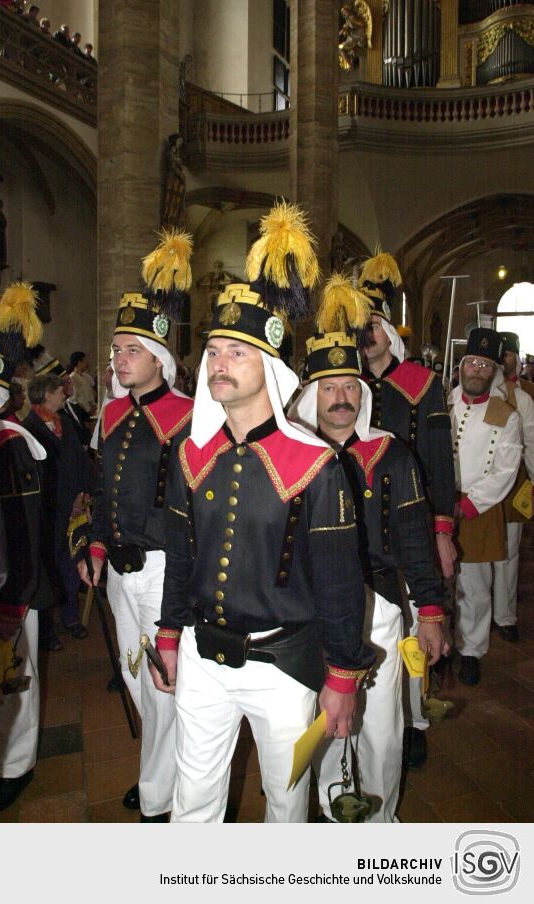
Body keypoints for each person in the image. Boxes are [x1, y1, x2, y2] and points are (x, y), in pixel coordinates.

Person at [151, 201, 375, 823]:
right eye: (213, 352)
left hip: (283, 666)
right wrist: (169, 635)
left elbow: (339, 582)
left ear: (270, 368)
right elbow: (180, 558)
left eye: (235, 353)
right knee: (192, 799)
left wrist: (342, 677)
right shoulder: (190, 454)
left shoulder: (317, 465)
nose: (218, 363)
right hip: (202, 657)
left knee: (285, 803)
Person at [289, 278, 448, 822]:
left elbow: (415, 541)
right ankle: (335, 816)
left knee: (380, 727)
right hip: (307, 612)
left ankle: (379, 826)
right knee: (324, 722)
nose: (342, 398)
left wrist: (430, 610)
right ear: (311, 395)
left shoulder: (393, 455)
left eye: (351, 387)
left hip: (379, 608)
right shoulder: (291, 460)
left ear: (364, 394)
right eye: (329, 387)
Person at [77, 230, 194, 822]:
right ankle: (172, 768)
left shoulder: (188, 416)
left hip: (162, 570)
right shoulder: (114, 412)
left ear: (158, 359)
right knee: (134, 676)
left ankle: (158, 798)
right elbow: (103, 489)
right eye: (116, 350)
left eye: (130, 350)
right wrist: (96, 542)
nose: (118, 359)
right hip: (119, 571)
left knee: (160, 682)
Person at [358, 253, 455, 768]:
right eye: (359, 326)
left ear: (389, 332)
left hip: (412, 524)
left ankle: (415, 719)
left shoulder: (422, 383)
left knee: (419, 626)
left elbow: (438, 460)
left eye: (372, 324)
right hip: (365, 529)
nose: (365, 334)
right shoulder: (345, 385)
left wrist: (442, 530)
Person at [0, 282, 47, 814]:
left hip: (11, 591)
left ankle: (16, 765)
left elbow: (23, 532)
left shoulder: (10, 445)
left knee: (15, 684)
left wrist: (12, 604)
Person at [449, 328, 522, 686]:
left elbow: (505, 471)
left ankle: (471, 650)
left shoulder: (506, 415)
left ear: (494, 372)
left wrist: (469, 504)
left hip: (478, 508)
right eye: (472, 363)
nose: (477, 370)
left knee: (474, 585)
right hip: (441, 504)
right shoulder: (444, 404)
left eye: (484, 365)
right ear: (462, 366)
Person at [23, 373, 92, 645]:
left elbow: (81, 460)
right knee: (49, 570)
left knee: (72, 565)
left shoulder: (65, 423)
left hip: (74, 509)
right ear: (46, 395)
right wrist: (67, 502)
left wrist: (83, 494)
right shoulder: (28, 429)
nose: (64, 393)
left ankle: (70, 617)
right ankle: (46, 630)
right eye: (58, 390)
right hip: (49, 514)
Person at [491, 332, 534, 643]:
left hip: (514, 484)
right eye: (500, 353)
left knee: (508, 552)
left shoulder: (525, 397)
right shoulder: (476, 391)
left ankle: (504, 615)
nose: (503, 359)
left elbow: (531, 444)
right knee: (476, 559)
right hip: (480, 484)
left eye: (508, 354)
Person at [68, 351, 96, 416]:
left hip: (89, 410)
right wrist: (89, 409)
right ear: (79, 362)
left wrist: (93, 405)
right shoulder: (73, 377)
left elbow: (89, 393)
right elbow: (78, 397)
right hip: (81, 411)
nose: (87, 363)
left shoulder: (84, 376)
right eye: (85, 360)